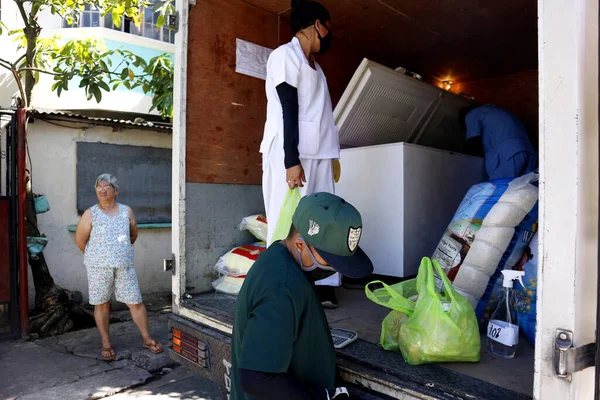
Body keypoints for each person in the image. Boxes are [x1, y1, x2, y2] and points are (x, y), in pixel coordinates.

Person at [231, 192, 373, 400]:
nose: (334, 269)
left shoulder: (279, 255)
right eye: (329, 260)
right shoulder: (281, 288)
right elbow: (256, 377)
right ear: (300, 245)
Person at [260, 0, 341, 308]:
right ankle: (276, 285)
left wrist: (331, 155)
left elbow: (320, 115)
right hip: (291, 153)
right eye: (327, 26)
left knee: (322, 222)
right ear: (316, 24)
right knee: (287, 219)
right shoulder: (284, 55)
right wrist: (290, 160)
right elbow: (287, 107)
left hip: (318, 154)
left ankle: (318, 281)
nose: (328, 33)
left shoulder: (316, 68)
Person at [75, 173, 163, 361]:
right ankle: (106, 342)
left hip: (125, 266)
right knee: (102, 303)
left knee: (135, 302)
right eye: (99, 186)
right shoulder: (91, 213)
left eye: (107, 186)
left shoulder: (126, 211)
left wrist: (119, 253)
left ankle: (146, 338)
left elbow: (133, 235)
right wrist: (99, 256)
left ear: (116, 190)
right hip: (98, 267)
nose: (102, 190)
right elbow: (80, 241)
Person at [459, 104, 538, 181]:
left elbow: (473, 144)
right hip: (530, 153)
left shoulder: (471, 114)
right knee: (522, 190)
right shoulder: (498, 111)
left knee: (501, 189)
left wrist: (457, 159)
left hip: (509, 154)